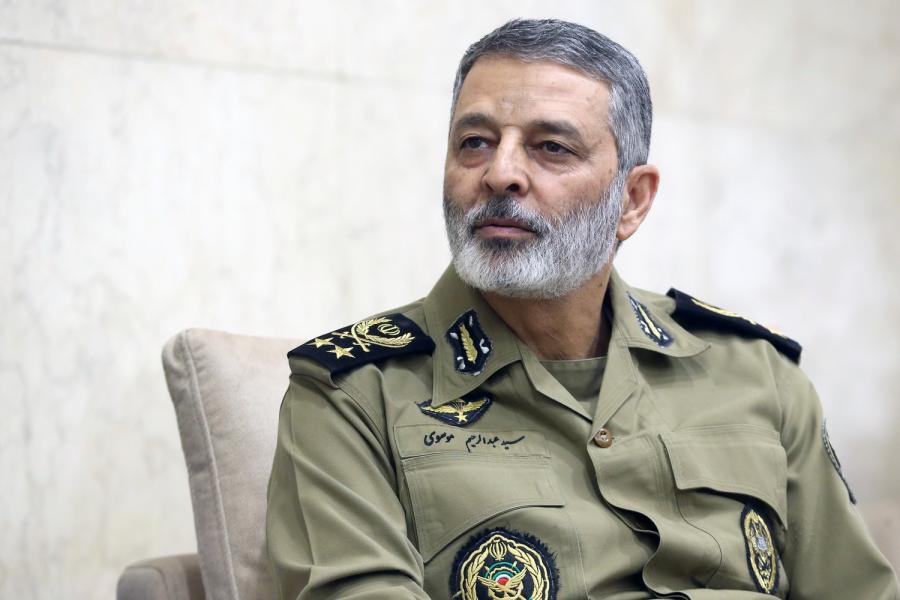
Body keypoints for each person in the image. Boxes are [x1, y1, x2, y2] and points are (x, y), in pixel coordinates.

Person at [266, 18, 899, 600]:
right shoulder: (353, 395)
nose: (500, 174)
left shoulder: (757, 372)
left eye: (552, 148)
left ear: (633, 200)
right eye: (475, 142)